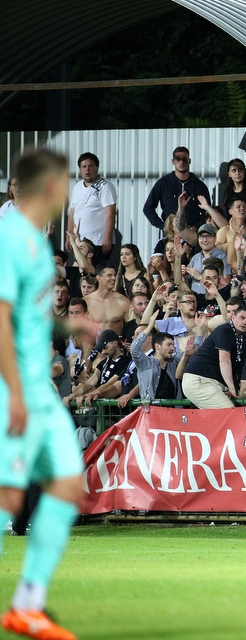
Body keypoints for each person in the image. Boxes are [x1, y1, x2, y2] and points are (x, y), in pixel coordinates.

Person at [0, 147, 88, 640]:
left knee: (67, 482)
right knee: (8, 495)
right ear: (50, 187)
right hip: (15, 386)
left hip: (38, 387)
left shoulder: (34, 242)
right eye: (66, 183)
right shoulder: (10, 238)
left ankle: (27, 604)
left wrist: (65, 321)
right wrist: (12, 391)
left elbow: (27, 316)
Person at [182, 304, 246, 409]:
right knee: (228, 410)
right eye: (242, 318)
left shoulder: (242, 339)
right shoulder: (224, 331)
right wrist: (232, 388)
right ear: (233, 317)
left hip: (213, 383)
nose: (244, 322)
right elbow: (224, 360)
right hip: (199, 380)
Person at [142, 147, 210, 245]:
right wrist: (164, 226)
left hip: (192, 234)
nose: (181, 162)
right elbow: (148, 208)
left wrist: (197, 227)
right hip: (170, 234)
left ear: (189, 161)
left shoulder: (199, 185)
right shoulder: (163, 183)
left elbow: (207, 211)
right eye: (178, 159)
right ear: (173, 161)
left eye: (184, 159)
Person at [66, 152, 116, 263]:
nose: (87, 170)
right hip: (80, 242)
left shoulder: (105, 186)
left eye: (91, 166)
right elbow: (72, 213)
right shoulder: (77, 186)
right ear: (80, 169)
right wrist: (69, 237)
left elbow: (111, 214)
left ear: (97, 167)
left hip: (98, 242)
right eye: (84, 167)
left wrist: (107, 238)